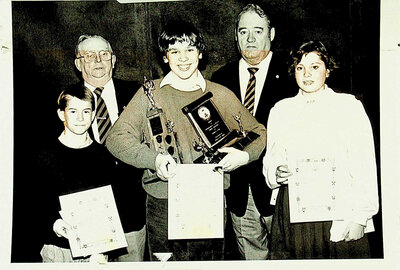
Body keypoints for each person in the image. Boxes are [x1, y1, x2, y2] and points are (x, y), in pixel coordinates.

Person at [106, 20, 267, 261]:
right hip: (163, 202)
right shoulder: (150, 93)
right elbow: (116, 138)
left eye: (190, 50)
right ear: (164, 57)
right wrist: (154, 159)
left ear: (200, 53)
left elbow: (259, 133)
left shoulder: (220, 94)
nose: (183, 58)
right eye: (174, 51)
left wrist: (242, 156)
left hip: (209, 199)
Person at [262, 40, 379, 259]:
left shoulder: (349, 106)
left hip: (340, 211)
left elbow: (364, 165)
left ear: (327, 70)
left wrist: (360, 217)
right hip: (294, 211)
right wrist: (277, 171)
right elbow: (272, 159)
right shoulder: (281, 110)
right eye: (300, 68)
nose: (306, 74)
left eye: (314, 67)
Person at [211, 3, 296, 260]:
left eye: (258, 31)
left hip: (281, 188)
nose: (250, 38)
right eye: (243, 31)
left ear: (271, 34)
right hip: (238, 192)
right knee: (251, 259)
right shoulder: (219, 77)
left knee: (290, 258)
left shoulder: (294, 72)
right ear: (235, 36)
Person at [74, 34, 146, 261]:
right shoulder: (66, 100)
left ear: (113, 60)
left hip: (132, 209)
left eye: (104, 54)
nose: (97, 61)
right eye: (89, 55)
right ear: (78, 63)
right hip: (86, 209)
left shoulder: (139, 93)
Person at [36, 85, 116, 262]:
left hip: (97, 251)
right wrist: (55, 224)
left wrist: (103, 247)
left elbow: (110, 206)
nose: (80, 118)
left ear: (93, 114)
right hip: (58, 250)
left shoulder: (104, 156)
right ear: (60, 114)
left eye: (86, 111)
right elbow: (34, 203)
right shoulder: (44, 156)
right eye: (73, 111)